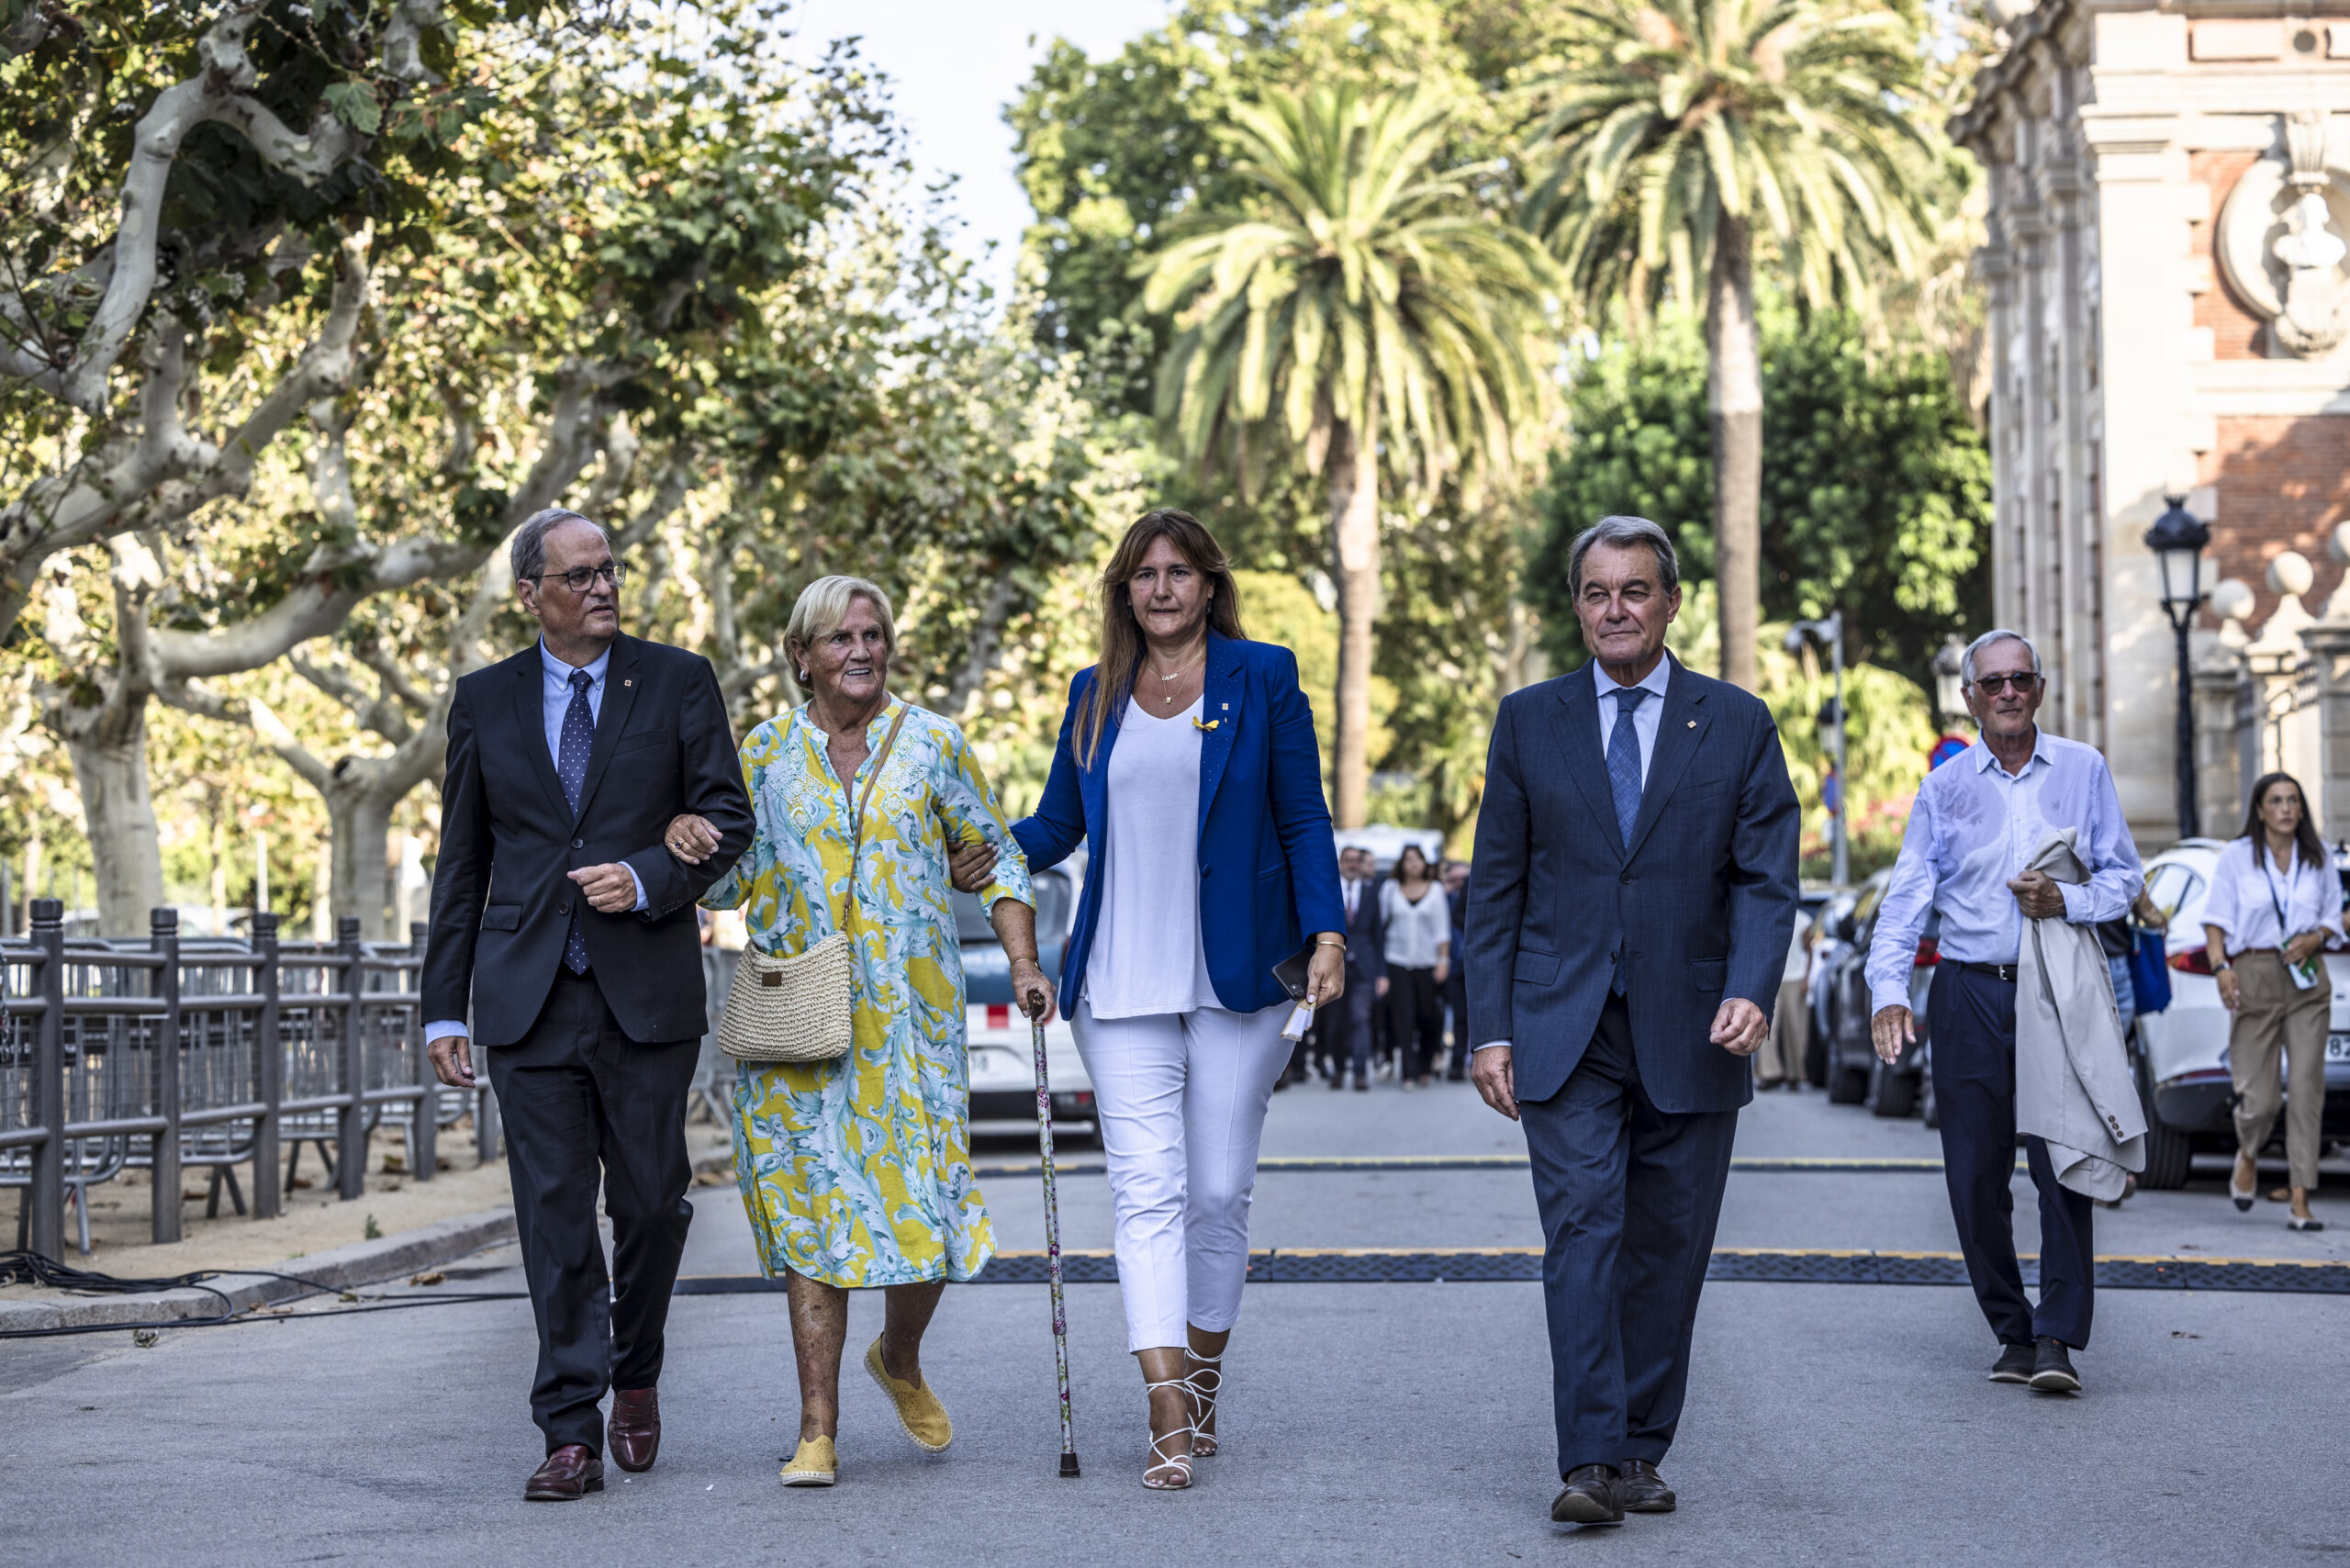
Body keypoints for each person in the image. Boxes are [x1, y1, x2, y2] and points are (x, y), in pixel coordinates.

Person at [660, 576, 1049, 1489]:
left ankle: (899, 1356)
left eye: (872, 634)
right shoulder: (763, 754)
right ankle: (817, 1430)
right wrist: (686, 834)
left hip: (911, 1028)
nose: (861, 650)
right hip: (800, 1025)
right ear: (802, 656)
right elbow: (727, 883)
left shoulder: (933, 744)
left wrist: (1024, 963)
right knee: (813, 1220)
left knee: (931, 1214)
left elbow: (1000, 859)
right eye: (840, 638)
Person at [1465, 515, 1799, 1526]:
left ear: (1670, 602)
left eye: (1635, 590)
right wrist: (1489, 1029)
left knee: (1669, 1245)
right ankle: (1588, 1458)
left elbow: (1765, 878)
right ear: (1578, 606)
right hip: (1561, 1024)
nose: (1615, 609)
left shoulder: (1736, 722)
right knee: (1582, 1232)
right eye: (1596, 592)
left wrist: (1752, 986)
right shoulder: (1529, 720)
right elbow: (1496, 885)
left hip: (1695, 1024)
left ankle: (1640, 1447)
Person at [422, 508, 755, 1502]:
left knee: (650, 1203)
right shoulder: (484, 698)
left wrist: (650, 875)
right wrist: (444, 1008)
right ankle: (569, 1429)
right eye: (579, 575)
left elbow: (729, 816)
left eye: (609, 569)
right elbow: (462, 861)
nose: (603, 586)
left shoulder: (678, 680)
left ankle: (635, 1370)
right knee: (554, 1217)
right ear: (530, 593)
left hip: (644, 992)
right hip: (524, 998)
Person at [1010, 509, 1346, 1490]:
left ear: (1208, 585)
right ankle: (1165, 1405)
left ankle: (1203, 1374)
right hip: (1119, 978)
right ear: (1125, 590)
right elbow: (1055, 826)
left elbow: (1302, 816)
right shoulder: (1094, 693)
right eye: (1144, 574)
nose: (1161, 588)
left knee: (1216, 1192)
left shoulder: (1264, 676)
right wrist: (970, 840)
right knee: (1145, 1189)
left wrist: (1328, 934)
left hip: (1238, 975)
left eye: (1179, 572)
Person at [1868, 629, 2143, 1395]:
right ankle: (2012, 1330)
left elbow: (2125, 878)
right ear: (1970, 698)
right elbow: (1906, 898)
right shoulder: (1943, 788)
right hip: (1968, 992)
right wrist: (1889, 990)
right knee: (1974, 1177)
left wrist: (2067, 900)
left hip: (2055, 989)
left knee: (2065, 1164)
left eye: (2021, 678)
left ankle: (2057, 1338)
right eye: (1993, 683)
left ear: (2041, 689)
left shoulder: (2084, 770)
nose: (2009, 693)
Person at [2201, 771, 2336, 1232]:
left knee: (2306, 1088)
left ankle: (2300, 1198)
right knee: (2259, 1100)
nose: (2285, 809)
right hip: (2253, 972)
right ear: (2259, 810)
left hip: (2307, 978)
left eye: (2292, 800)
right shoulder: (2237, 857)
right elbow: (2215, 920)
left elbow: (2335, 914)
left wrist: (2317, 936)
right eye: (2275, 801)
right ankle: (2249, 1150)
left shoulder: (2318, 856)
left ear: (2301, 808)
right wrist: (2221, 967)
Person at [1380, 844, 1450, 1088]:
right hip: (1396, 960)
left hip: (1427, 963)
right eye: (1408, 859)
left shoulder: (1436, 890)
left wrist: (1443, 961)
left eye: (1418, 858)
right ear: (1401, 864)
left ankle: (1425, 1065)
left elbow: (1442, 930)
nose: (1413, 863)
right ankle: (1408, 1071)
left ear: (1425, 863)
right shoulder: (1390, 889)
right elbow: (1380, 926)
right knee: (1403, 1015)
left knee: (1427, 1015)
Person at [1322, 846, 1388, 1089]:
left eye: (1355, 861)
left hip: (1365, 967)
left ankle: (1360, 1073)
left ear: (1361, 865)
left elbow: (1378, 935)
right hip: (1334, 965)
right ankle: (1339, 1070)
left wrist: (1382, 973)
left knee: (1361, 1018)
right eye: (1347, 860)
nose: (1351, 864)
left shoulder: (1372, 893)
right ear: (1340, 863)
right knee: (1336, 1023)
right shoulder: (1329, 889)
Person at [1759, 912, 1811, 1090]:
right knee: (1767, 1026)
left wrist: (1807, 978)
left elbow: (1809, 950)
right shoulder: (1768, 915)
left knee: (1795, 1028)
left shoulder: (1803, 920)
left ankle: (1794, 1074)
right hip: (1772, 978)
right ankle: (1770, 1073)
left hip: (1795, 979)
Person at [1441, 857, 1471, 1081]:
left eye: (1463, 879)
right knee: (1457, 1016)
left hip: (1471, 967)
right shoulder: (1442, 900)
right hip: (1451, 967)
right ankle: (1456, 1061)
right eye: (1453, 880)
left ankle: (1467, 1060)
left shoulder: (1475, 900)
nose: (1458, 884)